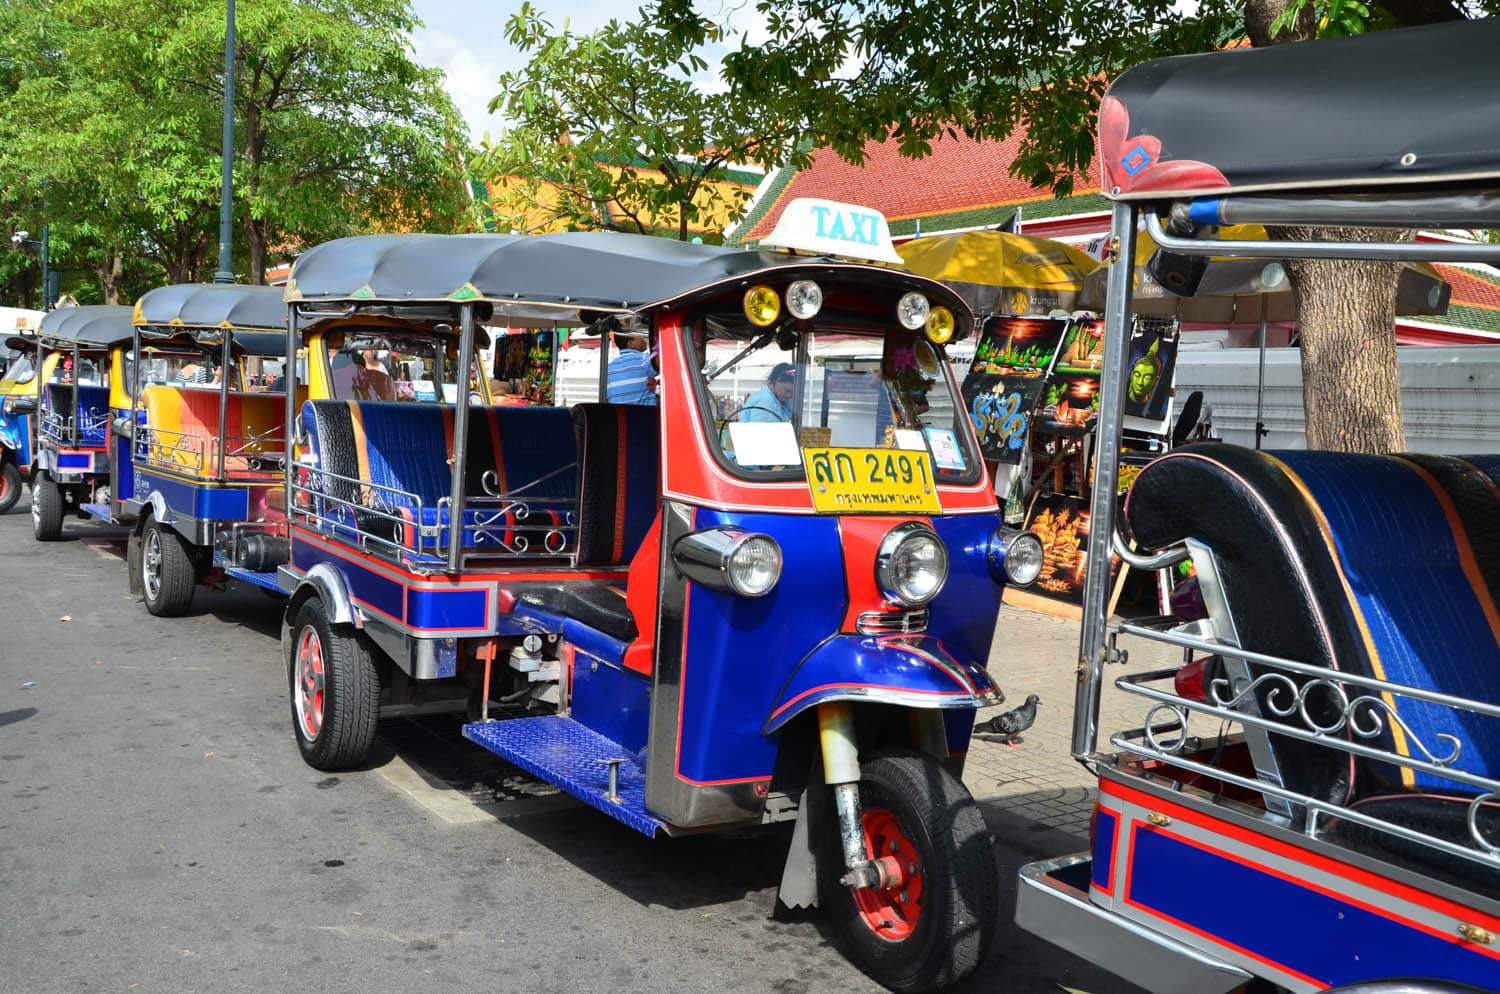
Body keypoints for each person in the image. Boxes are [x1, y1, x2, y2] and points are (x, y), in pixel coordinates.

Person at [606, 330, 657, 405]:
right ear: (631, 343)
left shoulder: (609, 367)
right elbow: (667, 365)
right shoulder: (644, 359)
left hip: (622, 414)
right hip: (645, 414)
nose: (644, 339)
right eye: (640, 337)